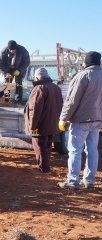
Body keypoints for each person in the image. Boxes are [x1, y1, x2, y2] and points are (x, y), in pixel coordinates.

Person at [57, 51, 102, 189]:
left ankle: (73, 181)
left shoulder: (82, 76)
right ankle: (89, 180)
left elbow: (71, 101)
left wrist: (63, 118)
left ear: (86, 62)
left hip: (81, 120)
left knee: (75, 150)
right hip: (96, 120)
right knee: (92, 150)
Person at [24, 68, 63, 173]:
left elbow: (34, 109)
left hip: (40, 125)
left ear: (37, 77)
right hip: (52, 123)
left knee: (40, 146)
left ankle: (43, 168)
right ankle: (46, 165)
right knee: (48, 145)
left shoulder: (39, 88)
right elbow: (61, 105)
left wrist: (32, 126)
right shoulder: (56, 88)